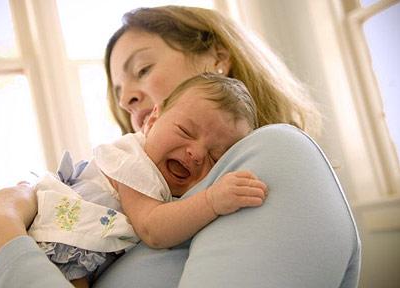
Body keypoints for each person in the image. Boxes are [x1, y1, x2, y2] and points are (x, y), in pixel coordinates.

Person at [0, 5, 359, 288]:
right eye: (120, 93)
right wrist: (16, 203)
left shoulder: (276, 154)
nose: (127, 99)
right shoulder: (143, 183)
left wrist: (1, 241)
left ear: (217, 59)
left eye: (143, 70)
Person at [27, 73, 266, 287]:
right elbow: (153, 229)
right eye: (185, 131)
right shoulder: (132, 161)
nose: (197, 153)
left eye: (216, 157)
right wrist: (212, 200)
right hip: (58, 246)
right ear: (152, 121)